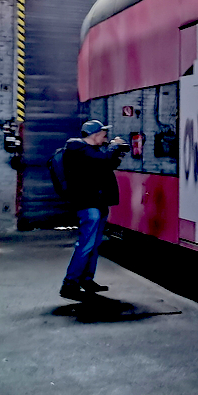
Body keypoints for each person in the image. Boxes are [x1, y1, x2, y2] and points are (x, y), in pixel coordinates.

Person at [59, 120, 128, 300]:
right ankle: (70, 284)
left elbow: (107, 165)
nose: (105, 138)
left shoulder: (92, 151)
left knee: (95, 244)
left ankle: (86, 279)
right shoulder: (77, 149)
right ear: (95, 135)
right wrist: (114, 146)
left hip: (98, 203)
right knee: (86, 244)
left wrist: (117, 153)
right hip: (88, 204)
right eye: (103, 134)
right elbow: (103, 161)